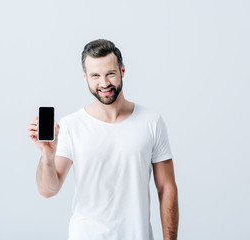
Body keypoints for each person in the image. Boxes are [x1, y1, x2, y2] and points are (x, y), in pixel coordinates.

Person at [27, 39, 179, 240]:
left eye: (110, 74)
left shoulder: (151, 121)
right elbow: (48, 190)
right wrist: (48, 154)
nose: (104, 83)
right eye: (95, 76)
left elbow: (167, 188)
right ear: (86, 78)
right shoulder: (71, 125)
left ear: (122, 71)